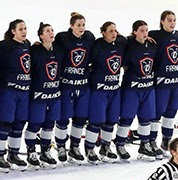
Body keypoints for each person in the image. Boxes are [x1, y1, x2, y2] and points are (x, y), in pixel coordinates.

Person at [53, 12, 96, 163]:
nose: (81, 28)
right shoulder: (62, 38)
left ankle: (75, 147)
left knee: (80, 118)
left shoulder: (89, 37)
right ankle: (60, 146)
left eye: (83, 25)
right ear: (71, 26)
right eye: (78, 25)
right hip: (66, 86)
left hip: (83, 86)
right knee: (63, 117)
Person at [148, 10, 178, 158]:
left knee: (171, 113)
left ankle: (166, 142)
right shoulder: (155, 35)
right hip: (161, 82)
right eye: (169, 20)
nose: (172, 23)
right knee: (157, 113)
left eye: (174, 20)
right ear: (162, 21)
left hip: (176, 82)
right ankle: (151, 141)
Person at [115, 20, 158, 161]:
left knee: (146, 117)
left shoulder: (152, 45)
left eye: (146, 30)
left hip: (148, 88)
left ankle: (145, 144)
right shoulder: (129, 45)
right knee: (127, 117)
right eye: (142, 30)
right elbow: (123, 64)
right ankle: (120, 144)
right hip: (132, 89)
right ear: (134, 32)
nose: (145, 33)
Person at [84, 22, 126, 163]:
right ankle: (89, 148)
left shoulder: (120, 42)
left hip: (114, 90)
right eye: (111, 31)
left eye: (115, 30)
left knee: (111, 120)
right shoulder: (97, 45)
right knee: (96, 120)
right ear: (103, 32)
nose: (114, 33)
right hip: (99, 91)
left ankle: (105, 147)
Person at [0, 19, 31, 171]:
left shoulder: (27, 44)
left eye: (25, 28)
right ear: (13, 31)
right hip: (7, 91)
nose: (24, 31)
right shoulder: (3, 46)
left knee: (19, 123)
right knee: (5, 123)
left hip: (23, 91)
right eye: (21, 29)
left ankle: (13, 154)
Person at [24, 22, 62, 168]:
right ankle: (31, 151)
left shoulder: (58, 49)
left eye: (52, 30)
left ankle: (45, 151)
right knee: (35, 123)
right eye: (47, 31)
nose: (51, 33)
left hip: (54, 95)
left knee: (49, 124)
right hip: (38, 95)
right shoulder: (34, 50)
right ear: (41, 36)